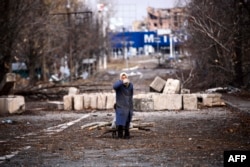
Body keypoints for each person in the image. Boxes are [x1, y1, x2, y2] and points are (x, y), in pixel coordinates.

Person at [113, 72, 134, 139]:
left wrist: (130, 104)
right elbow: (114, 86)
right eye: (122, 77)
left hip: (128, 106)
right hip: (120, 106)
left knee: (127, 121)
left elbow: (131, 94)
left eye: (125, 77)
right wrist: (121, 81)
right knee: (120, 121)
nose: (124, 79)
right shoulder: (119, 85)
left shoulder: (130, 85)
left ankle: (127, 134)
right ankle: (120, 135)